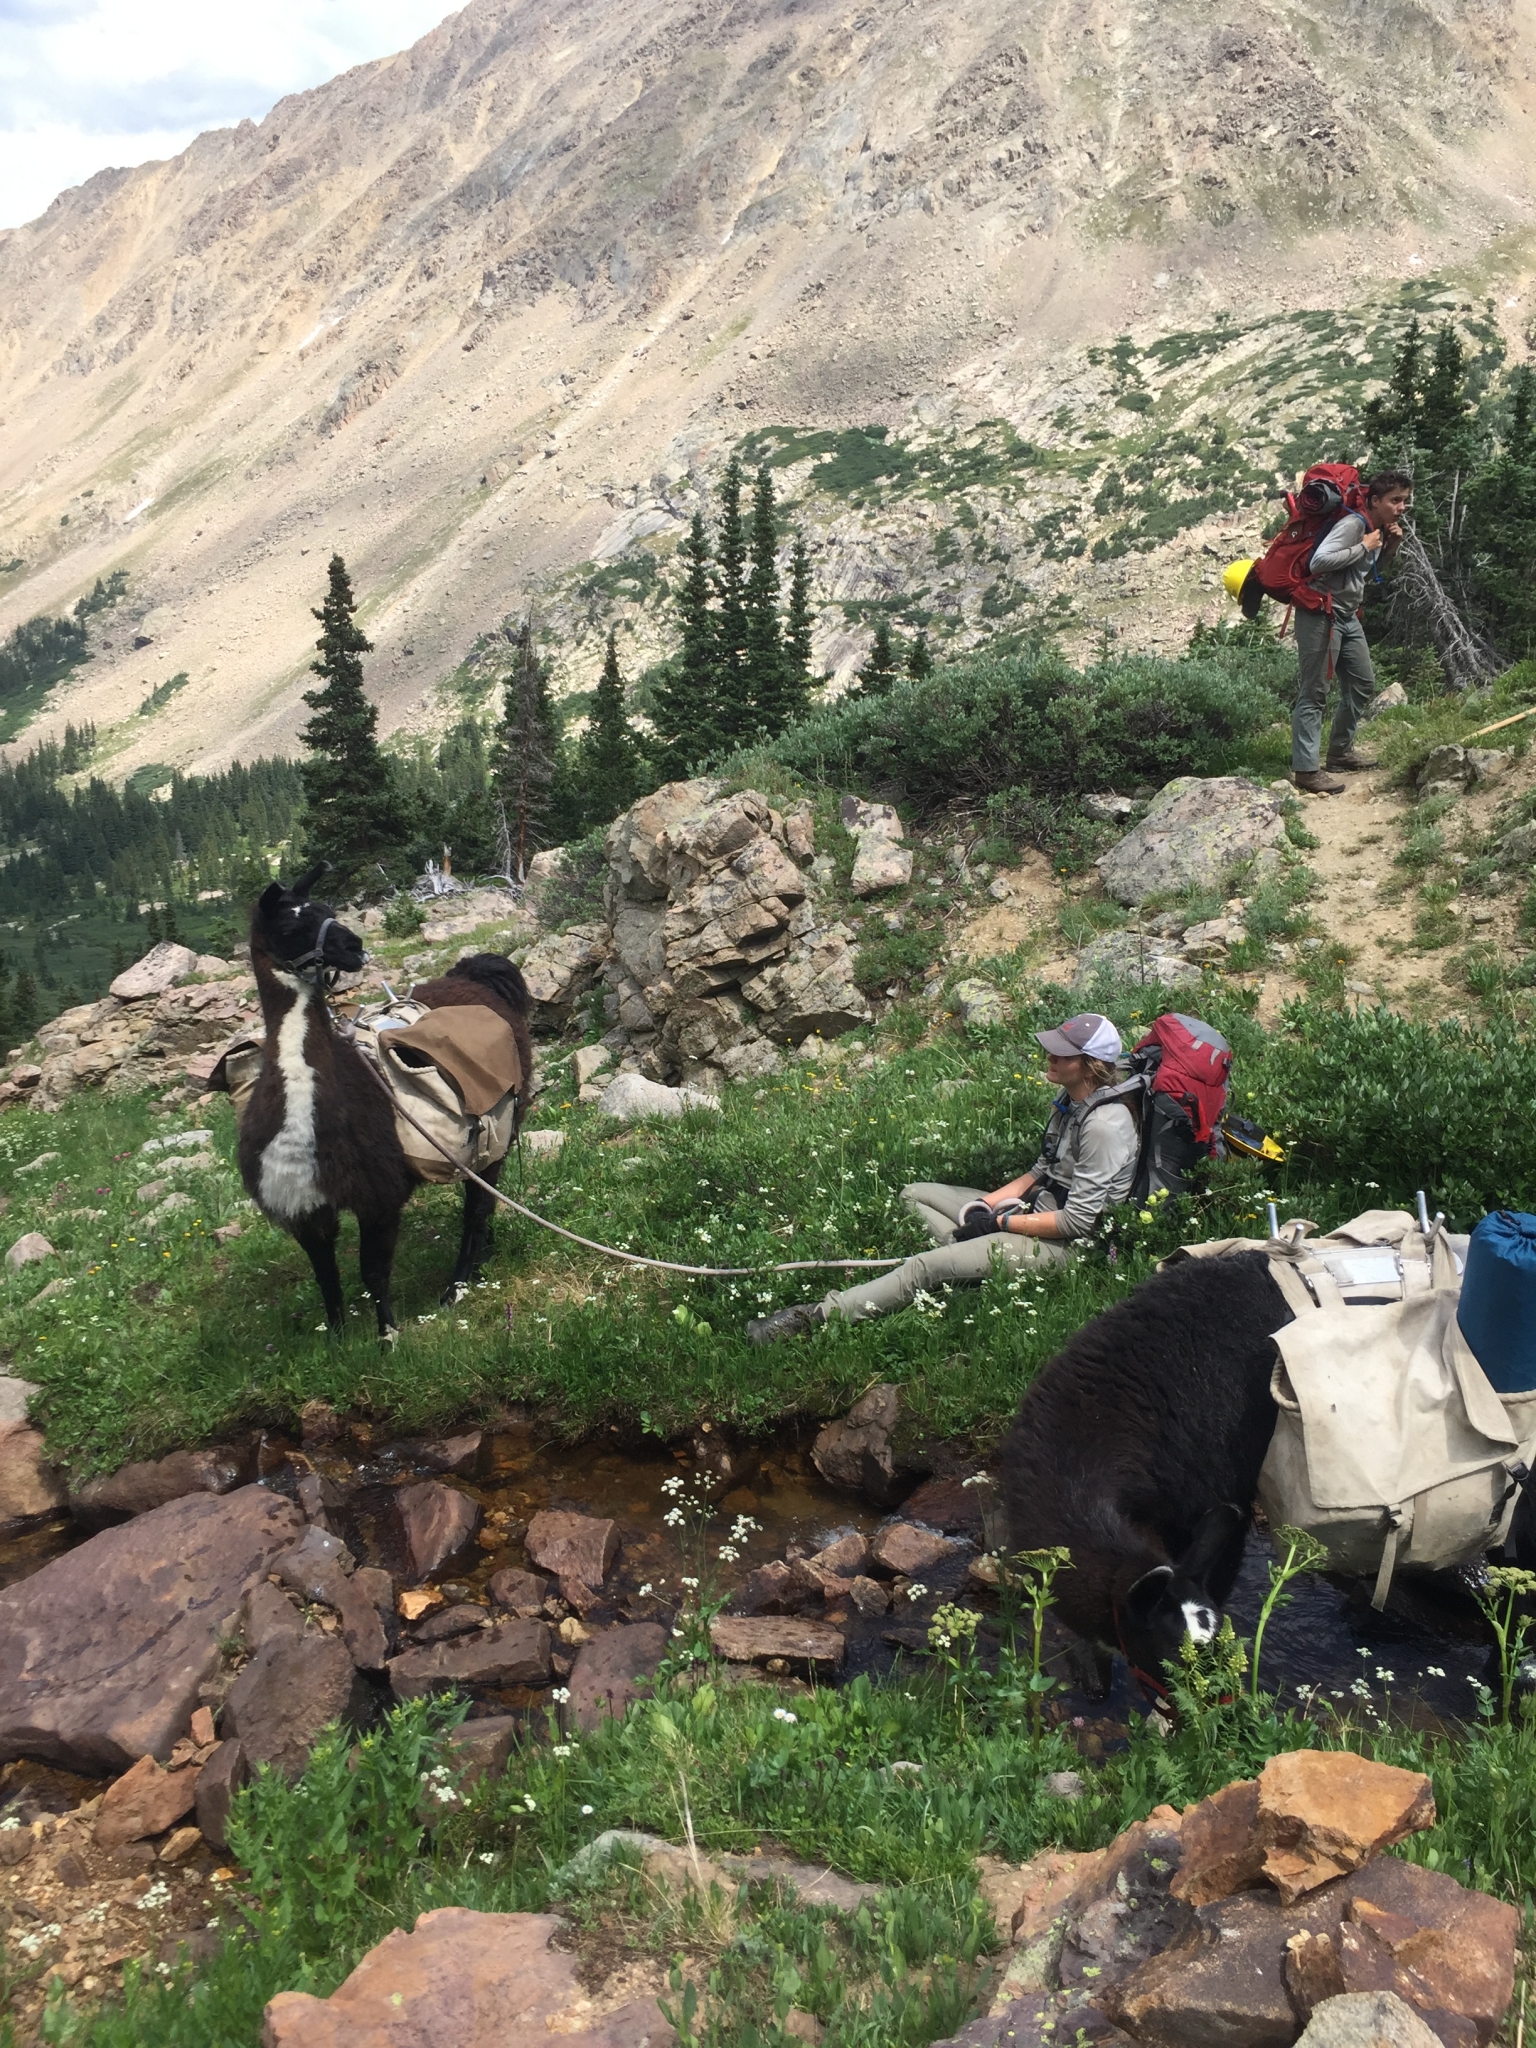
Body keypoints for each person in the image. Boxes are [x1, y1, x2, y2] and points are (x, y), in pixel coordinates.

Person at [746, 1013, 1141, 1345]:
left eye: (1063, 1052)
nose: (1049, 1055)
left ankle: (812, 1317)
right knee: (914, 1195)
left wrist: (999, 1223)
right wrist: (984, 1208)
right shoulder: (1072, 1103)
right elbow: (1041, 1170)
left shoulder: (1104, 1125)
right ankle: (967, 1270)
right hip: (1037, 1210)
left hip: (1069, 1246)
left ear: (1089, 1064)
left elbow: (1079, 1222)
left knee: (925, 1266)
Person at [1292, 470, 1414, 796]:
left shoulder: (1375, 529)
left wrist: (1389, 547)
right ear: (1375, 501)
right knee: (1315, 691)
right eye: (1395, 500)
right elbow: (1320, 562)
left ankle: (1339, 753)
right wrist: (1363, 545)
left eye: (1405, 501)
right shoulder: (1354, 525)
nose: (1402, 507)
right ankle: (1306, 770)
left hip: (1346, 615)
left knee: (1362, 682)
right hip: (1319, 613)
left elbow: (1371, 573)